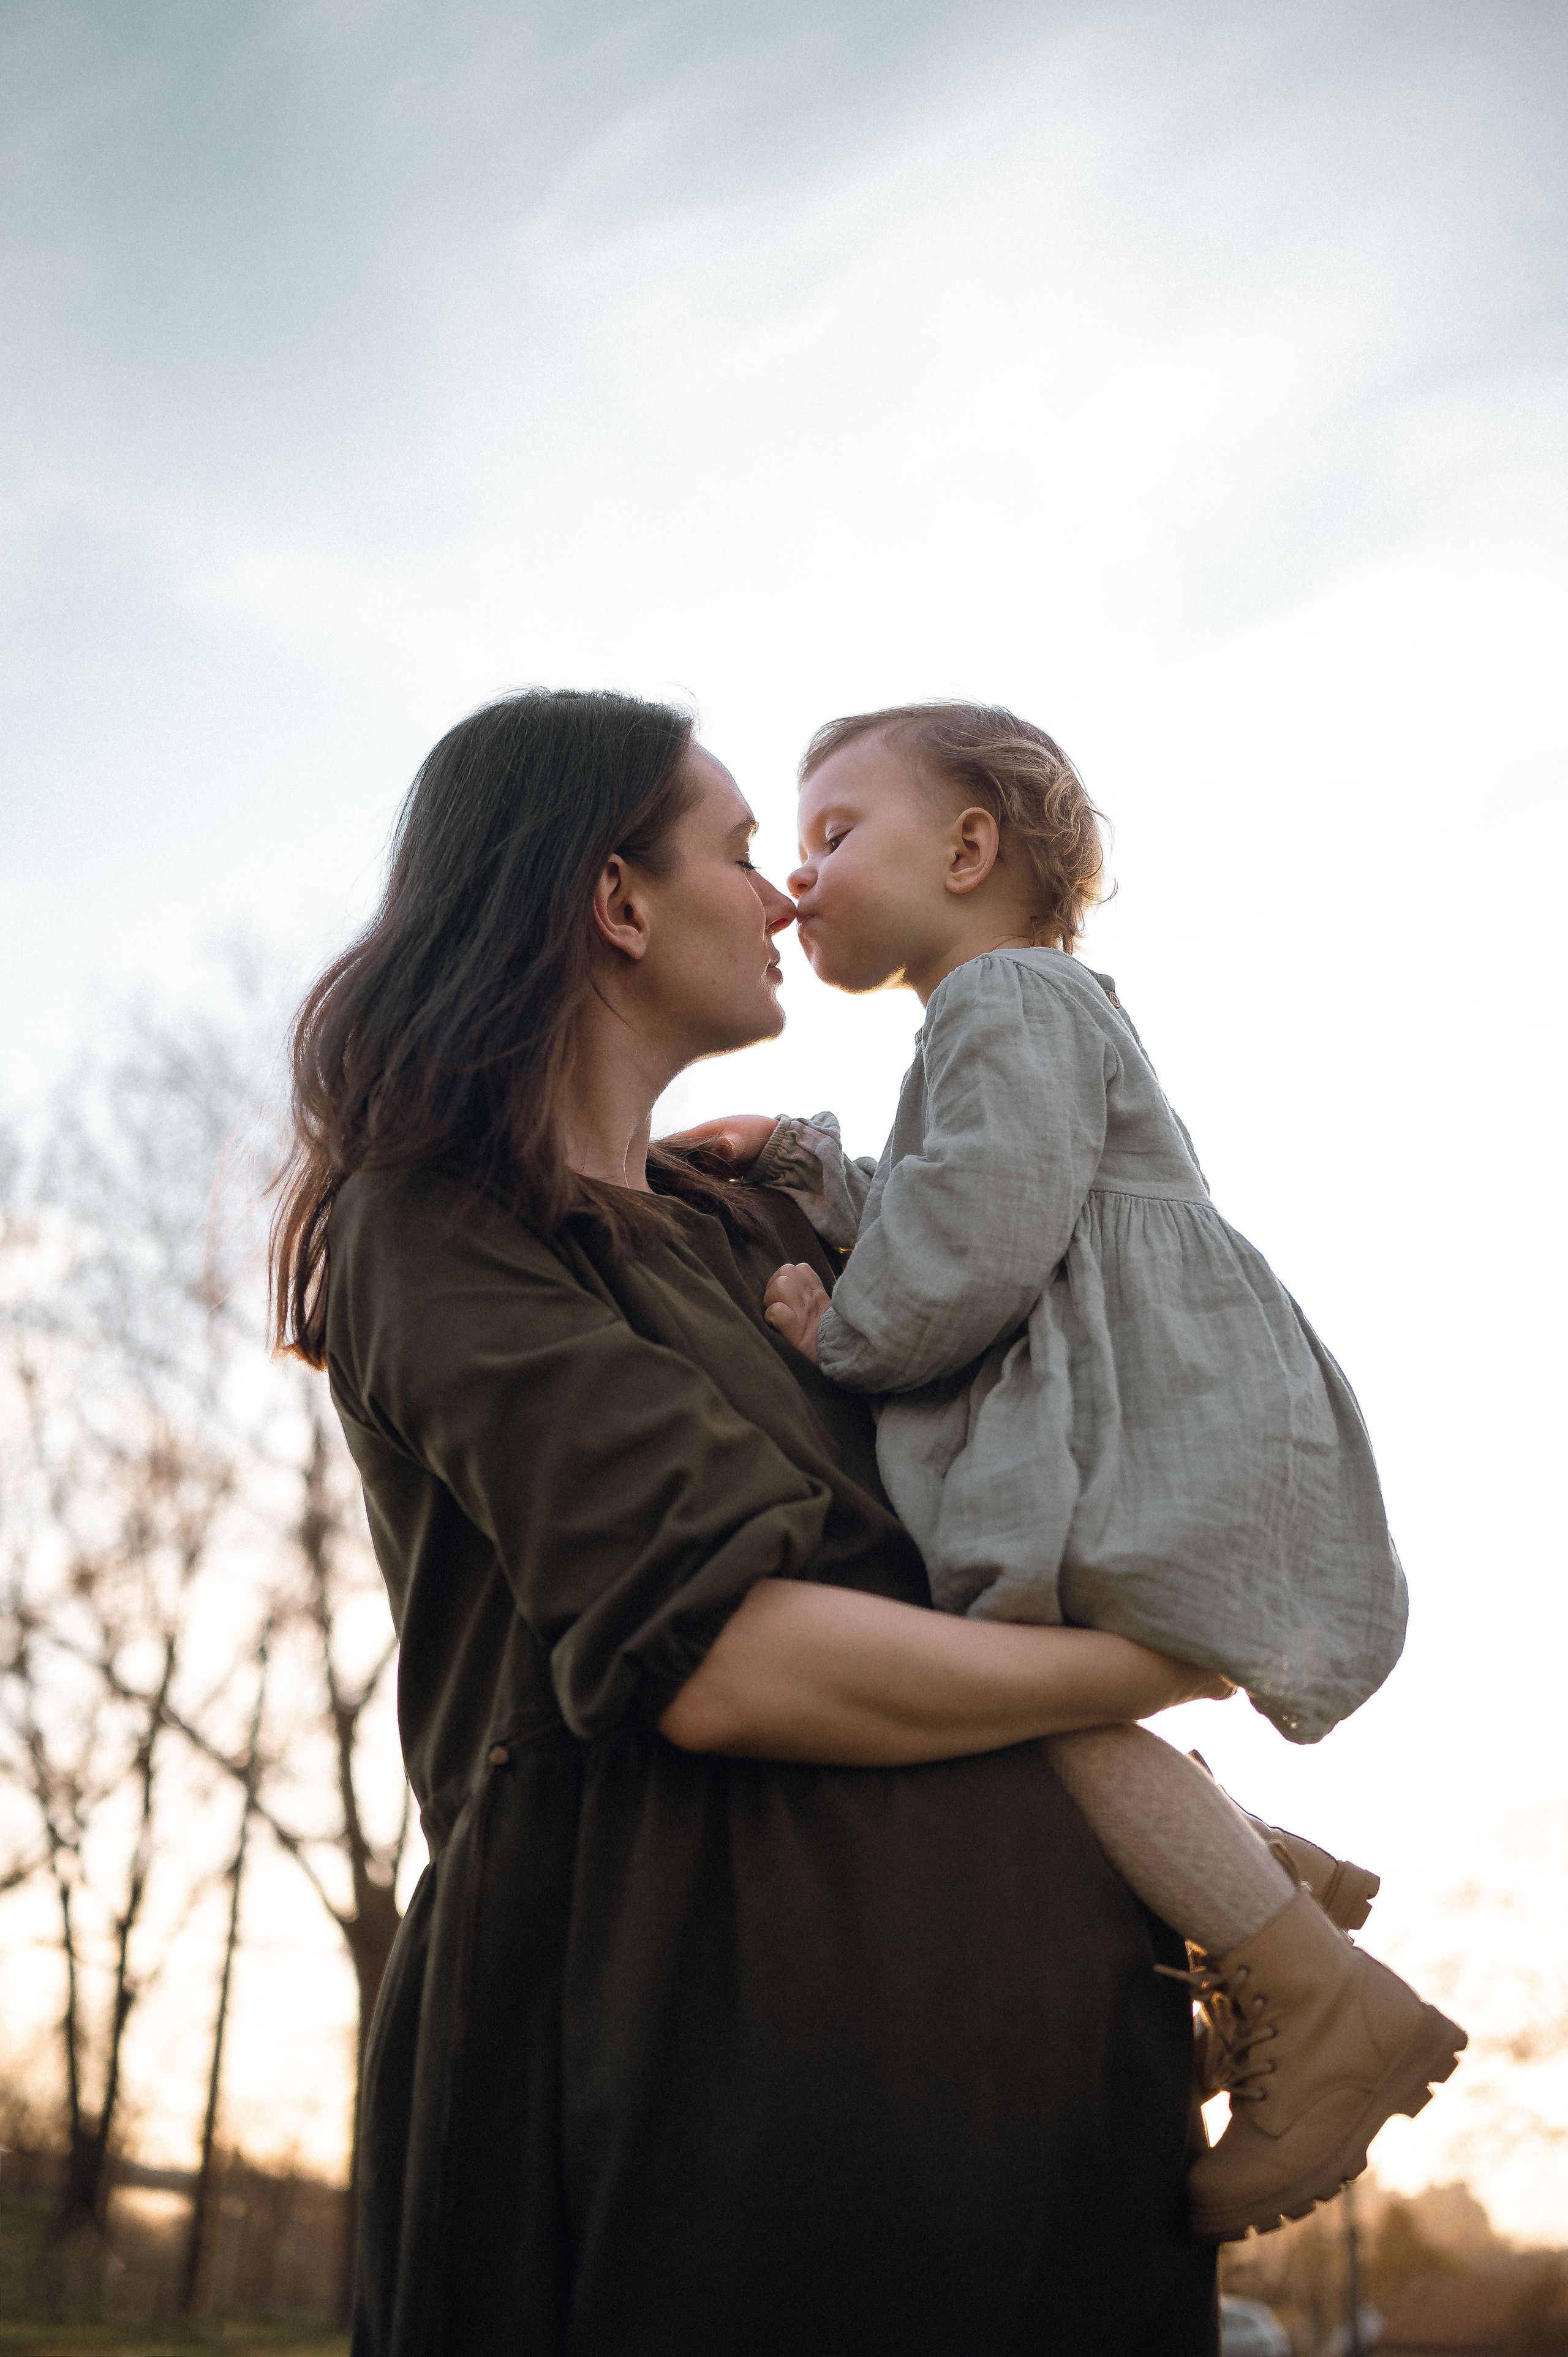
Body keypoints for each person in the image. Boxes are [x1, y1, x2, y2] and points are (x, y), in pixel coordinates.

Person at [268, 687, 1235, 2356]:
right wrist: (1154, 1662)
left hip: (1058, 2113)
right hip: (697, 2118)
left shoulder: (773, 1230)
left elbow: (1043, 1457)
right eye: (739, 848)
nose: (790, 891)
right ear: (617, 901)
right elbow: (727, 1662)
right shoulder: (434, 1226)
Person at [718, 700, 1464, 2245]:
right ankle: (1257, 1883)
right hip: (1157, 1411)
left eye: (832, 836)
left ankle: (1314, 1993)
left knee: (993, 1688)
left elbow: (975, 1238)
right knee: (1023, 1700)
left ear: (970, 849)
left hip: (1141, 1425)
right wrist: (803, 1162)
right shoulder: (1015, 1013)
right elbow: (971, 1183)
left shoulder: (1000, 1002)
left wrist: (835, 1330)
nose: (798, 881)